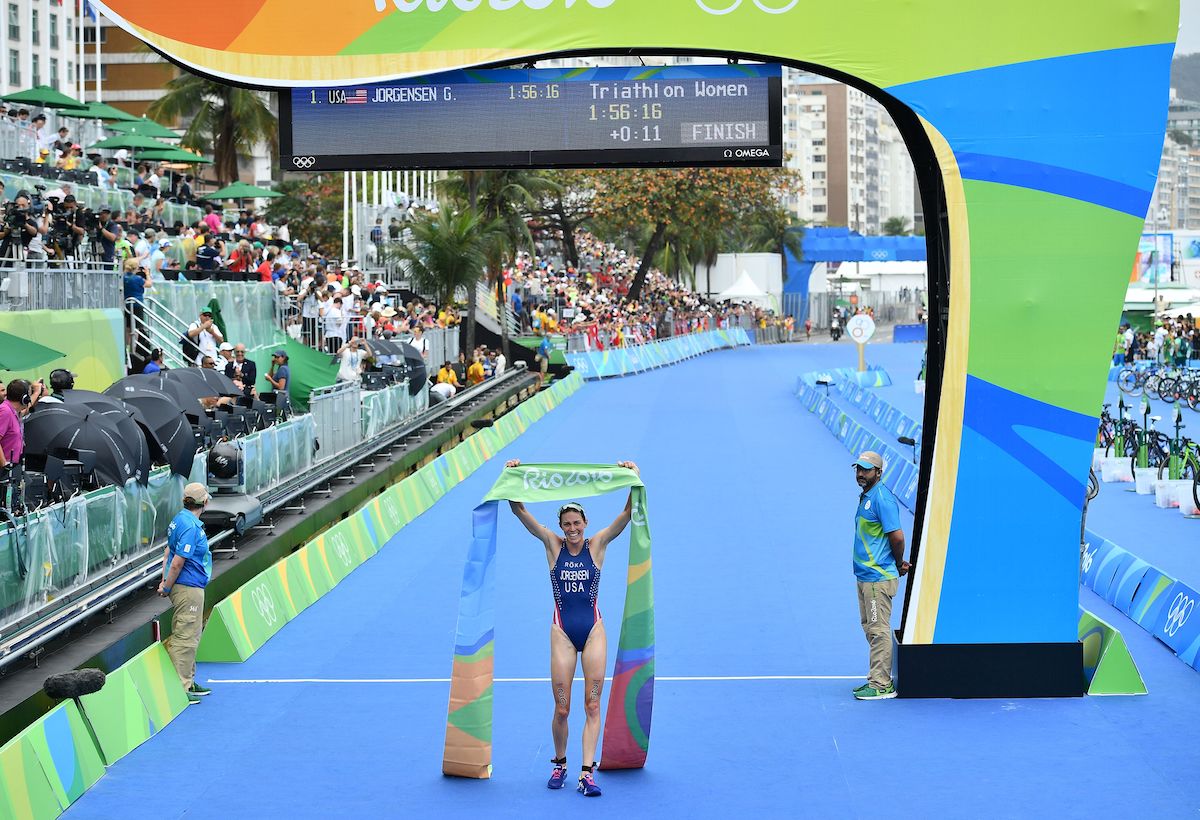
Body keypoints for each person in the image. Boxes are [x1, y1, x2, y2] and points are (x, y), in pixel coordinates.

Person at [504, 458, 640, 797]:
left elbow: (625, 517)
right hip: (562, 633)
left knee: (592, 706)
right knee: (562, 708)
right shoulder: (553, 545)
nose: (572, 529)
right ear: (561, 526)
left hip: (593, 631)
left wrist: (633, 478)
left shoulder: (597, 545)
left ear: (585, 522)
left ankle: (586, 773)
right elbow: (520, 511)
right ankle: (560, 763)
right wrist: (512, 476)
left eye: (576, 523)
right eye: (567, 524)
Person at [850, 451, 909, 701]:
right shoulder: (867, 495)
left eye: (866, 470)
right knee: (870, 627)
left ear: (878, 472)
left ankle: (882, 683)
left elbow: (897, 536)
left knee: (878, 629)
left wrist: (897, 564)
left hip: (877, 578)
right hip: (865, 576)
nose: (861, 474)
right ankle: (877, 675)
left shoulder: (882, 499)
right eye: (858, 469)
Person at [159, 482, 213, 704]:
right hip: (187, 587)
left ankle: (189, 681)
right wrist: (167, 586)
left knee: (192, 634)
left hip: (189, 586)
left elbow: (167, 552)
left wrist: (164, 582)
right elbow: (177, 562)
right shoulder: (190, 527)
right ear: (204, 502)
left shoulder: (180, 519)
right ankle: (180, 689)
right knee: (185, 637)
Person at [0, 379, 42, 509]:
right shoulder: (5, 412)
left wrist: (36, 393)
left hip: (12, 467)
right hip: (5, 470)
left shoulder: (13, 411)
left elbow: (24, 411)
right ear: (23, 398)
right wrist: (4, 464)